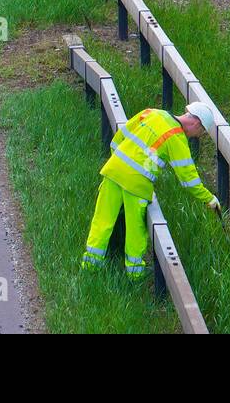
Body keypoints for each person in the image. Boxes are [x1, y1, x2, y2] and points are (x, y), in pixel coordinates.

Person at [81, 102, 220, 280]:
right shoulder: (176, 138)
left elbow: (120, 136)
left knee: (102, 221)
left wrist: (118, 161)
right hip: (137, 184)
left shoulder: (153, 113)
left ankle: (90, 266)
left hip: (113, 171)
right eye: (201, 132)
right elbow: (189, 180)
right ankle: (135, 274)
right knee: (136, 231)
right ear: (196, 123)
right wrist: (208, 199)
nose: (197, 136)